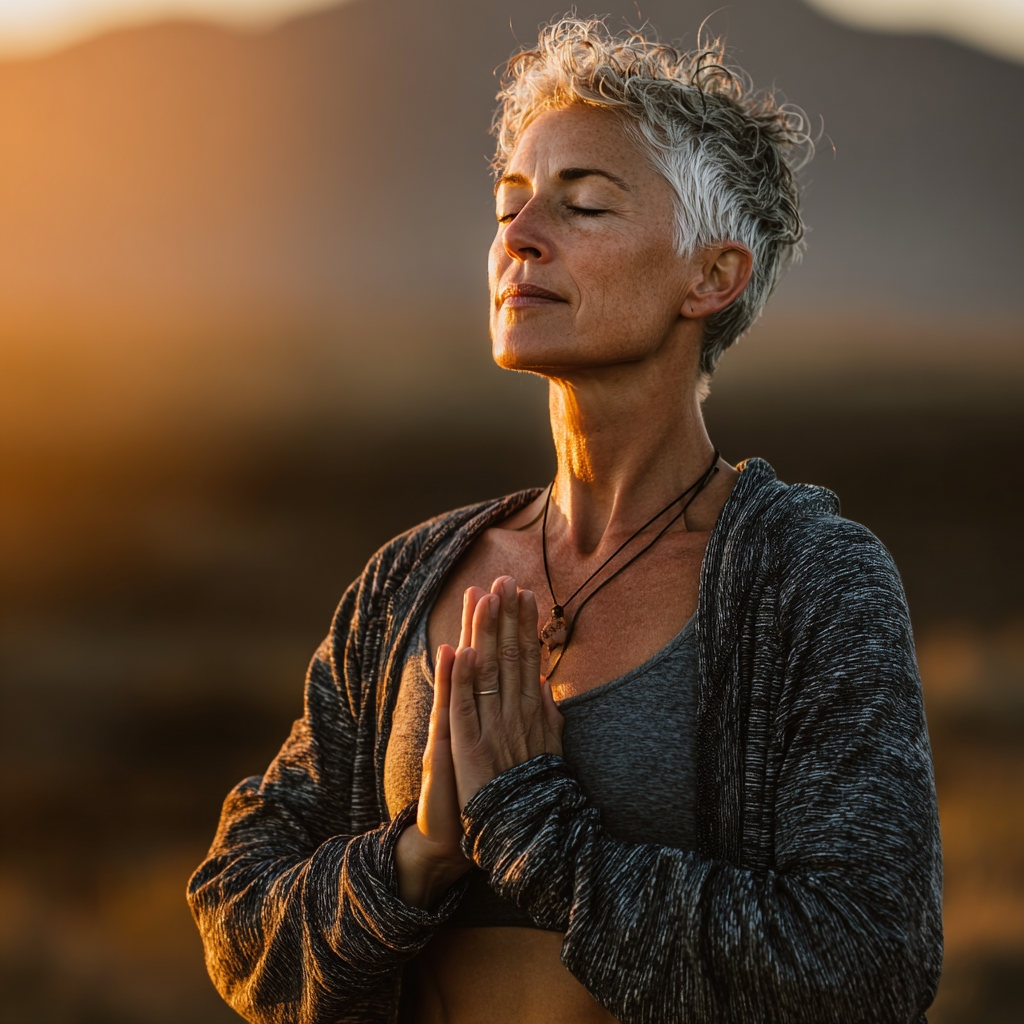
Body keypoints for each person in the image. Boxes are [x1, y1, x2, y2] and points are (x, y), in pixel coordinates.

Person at [187, 16, 943, 1024]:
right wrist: (412, 862)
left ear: (711, 277)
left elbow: (870, 962)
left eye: (582, 205)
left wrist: (533, 830)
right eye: (510, 203)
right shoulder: (406, 581)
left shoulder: (807, 580)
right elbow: (234, 909)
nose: (519, 235)